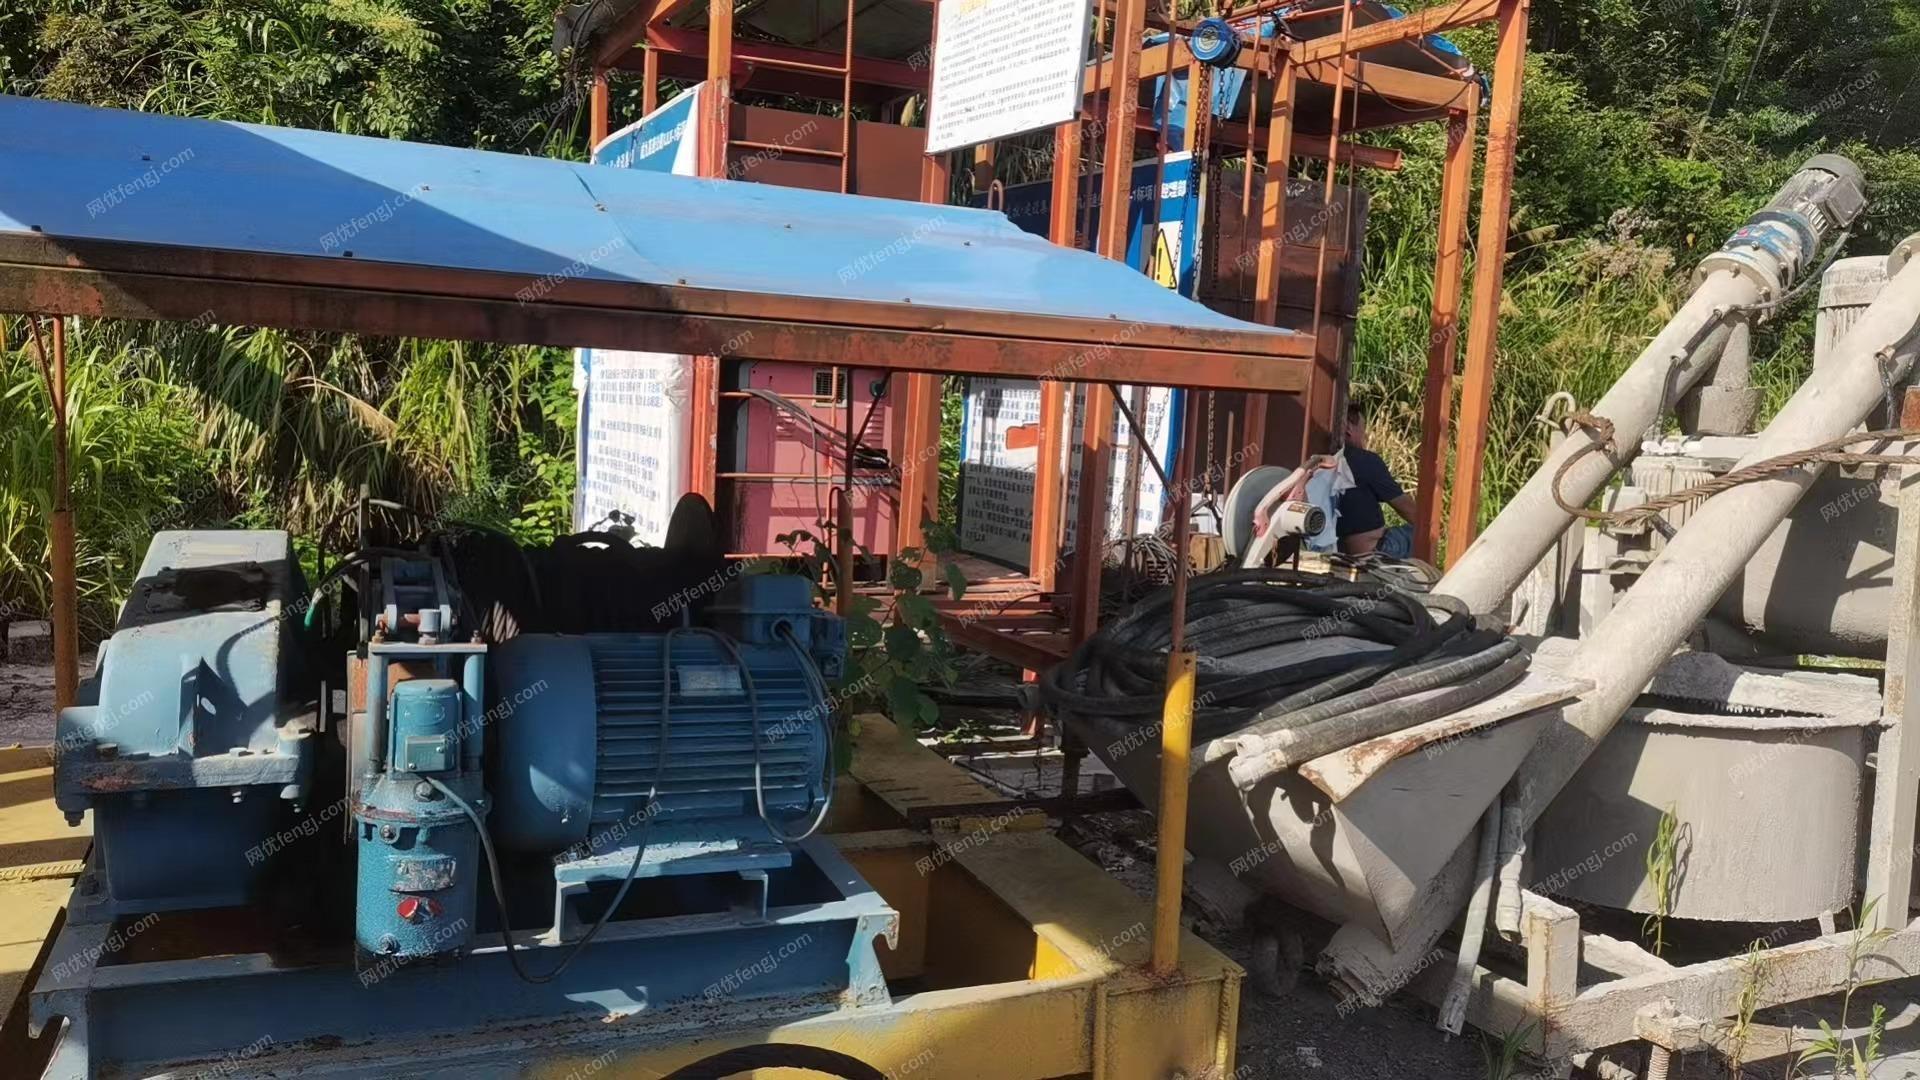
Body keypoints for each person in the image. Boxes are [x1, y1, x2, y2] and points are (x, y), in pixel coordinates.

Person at [1335, 403, 1417, 557]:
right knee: (1422, 533)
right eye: (1363, 429)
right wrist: (1435, 528)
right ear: (1349, 429)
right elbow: (1407, 509)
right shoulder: (1364, 460)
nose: (1365, 436)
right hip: (1374, 551)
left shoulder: (1325, 461)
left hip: (1338, 551)